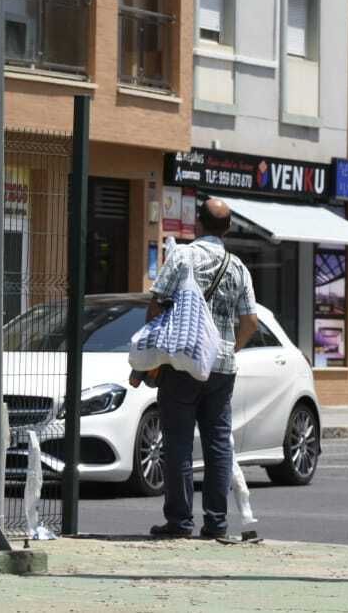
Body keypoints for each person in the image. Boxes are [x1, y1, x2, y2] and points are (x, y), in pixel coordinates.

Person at [145, 197, 258, 540]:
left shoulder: (181, 256)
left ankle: (179, 522)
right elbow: (250, 321)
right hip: (221, 367)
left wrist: (155, 350)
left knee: (178, 442)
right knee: (218, 443)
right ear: (227, 229)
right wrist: (228, 348)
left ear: (198, 224)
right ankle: (216, 523)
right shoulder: (238, 267)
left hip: (183, 363)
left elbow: (155, 305)